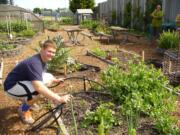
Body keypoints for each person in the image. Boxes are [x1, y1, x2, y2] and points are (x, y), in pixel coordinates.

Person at [3, 40, 71, 124]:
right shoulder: (34, 62)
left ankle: (29, 100)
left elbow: (41, 74)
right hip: (11, 87)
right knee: (39, 93)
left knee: (49, 77)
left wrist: (54, 80)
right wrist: (58, 98)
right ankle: (23, 109)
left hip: (21, 82)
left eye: (53, 52)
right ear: (42, 49)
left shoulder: (43, 60)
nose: (51, 54)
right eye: (49, 51)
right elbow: (39, 87)